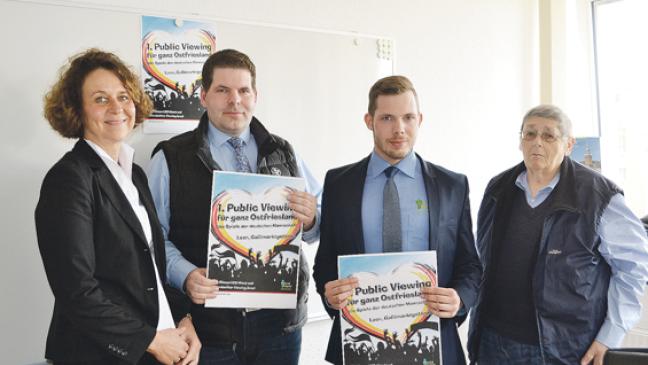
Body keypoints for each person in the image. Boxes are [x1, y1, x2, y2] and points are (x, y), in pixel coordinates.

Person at [147, 48, 321, 365]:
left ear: (255, 95)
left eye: (243, 90)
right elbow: (153, 238)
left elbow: (315, 225)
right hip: (208, 330)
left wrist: (311, 219)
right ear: (203, 96)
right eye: (222, 90)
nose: (234, 100)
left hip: (278, 328)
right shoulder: (171, 157)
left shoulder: (283, 151)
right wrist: (185, 275)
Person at [35, 49, 200, 365]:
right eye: (100, 99)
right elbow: (77, 292)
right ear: (76, 109)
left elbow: (149, 266)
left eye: (124, 96)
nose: (117, 108)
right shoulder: (69, 179)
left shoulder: (133, 172)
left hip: (156, 347)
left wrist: (184, 319)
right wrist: (151, 340)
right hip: (98, 355)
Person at [313, 75, 482, 365]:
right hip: (360, 342)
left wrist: (459, 298)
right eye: (387, 118)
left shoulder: (452, 185)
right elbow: (326, 261)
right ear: (369, 121)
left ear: (420, 120)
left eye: (408, 117)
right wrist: (330, 292)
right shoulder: (339, 183)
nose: (399, 129)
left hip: (434, 344)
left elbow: (470, 264)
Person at [467, 104, 648, 365]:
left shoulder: (598, 196)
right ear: (520, 141)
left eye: (549, 135)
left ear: (569, 144)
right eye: (529, 134)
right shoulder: (498, 188)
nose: (537, 143)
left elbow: (634, 266)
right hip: (492, 343)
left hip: (562, 349)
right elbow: (482, 261)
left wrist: (609, 336)